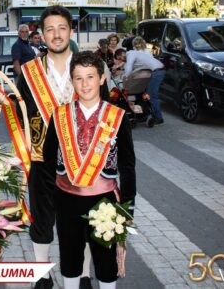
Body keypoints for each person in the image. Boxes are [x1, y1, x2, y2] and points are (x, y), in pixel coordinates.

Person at [41, 51, 136, 289]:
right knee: (70, 258)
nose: (85, 84)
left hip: (105, 202)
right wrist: (53, 199)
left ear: (102, 79)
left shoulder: (117, 117)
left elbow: (127, 164)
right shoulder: (59, 115)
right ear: (72, 81)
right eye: (79, 78)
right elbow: (48, 159)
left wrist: (127, 205)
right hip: (67, 200)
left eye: (90, 77)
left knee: (106, 262)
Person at [16, 6, 76, 289]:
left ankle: (84, 275)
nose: (56, 34)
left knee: (84, 222)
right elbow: (19, 114)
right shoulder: (29, 73)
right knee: (42, 218)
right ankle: (42, 275)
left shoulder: (89, 67)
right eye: (50, 29)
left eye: (61, 28)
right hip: (42, 159)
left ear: (71, 31)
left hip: (84, 160)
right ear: (41, 34)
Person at [124, 36, 166, 125]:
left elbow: (129, 66)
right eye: (136, 44)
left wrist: (126, 77)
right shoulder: (145, 53)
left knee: (150, 95)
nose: (137, 45)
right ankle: (145, 114)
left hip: (156, 72)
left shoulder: (131, 53)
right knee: (144, 93)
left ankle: (158, 117)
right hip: (158, 70)